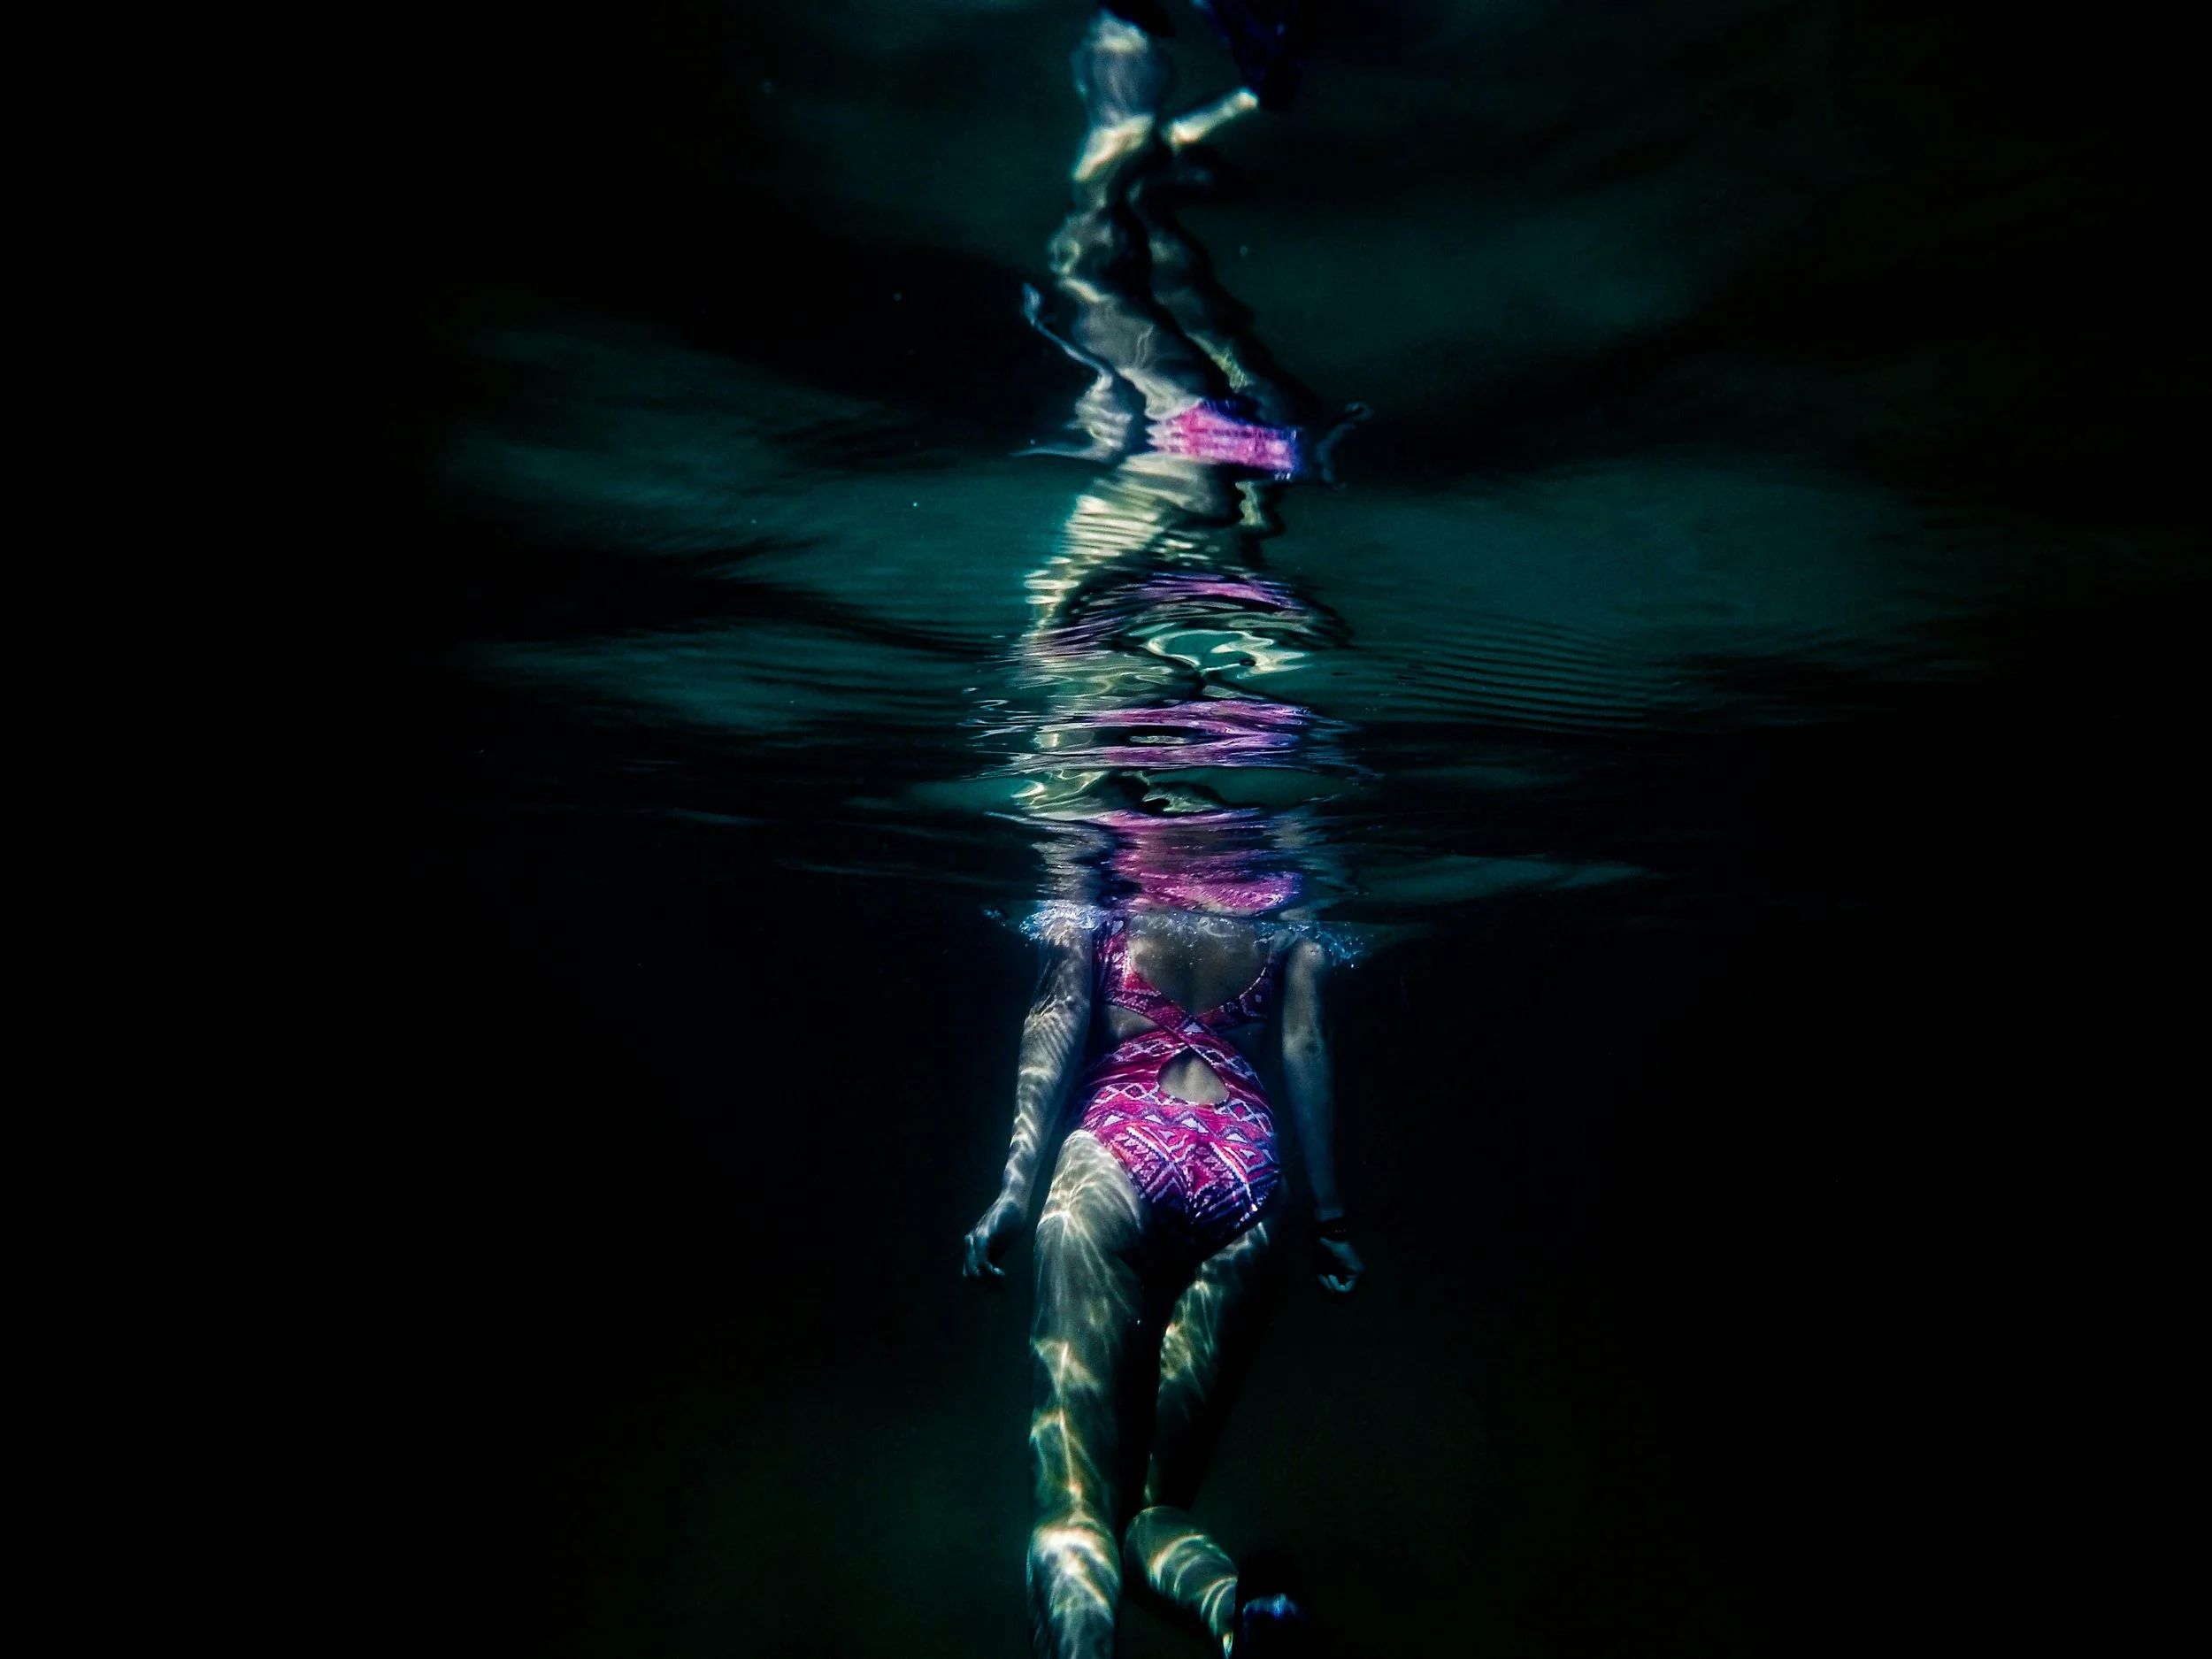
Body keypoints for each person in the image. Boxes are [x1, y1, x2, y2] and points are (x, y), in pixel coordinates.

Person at [964, 892, 1360, 1659]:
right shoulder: (1285, 892)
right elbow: (1306, 1047)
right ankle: (1242, 1616)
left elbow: (1053, 1023)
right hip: (1247, 1170)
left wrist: (1014, 1189)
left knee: (1076, 1503)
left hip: (1114, 1150)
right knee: (1156, 1507)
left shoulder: (1099, 874)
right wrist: (1332, 1220)